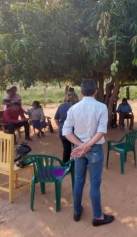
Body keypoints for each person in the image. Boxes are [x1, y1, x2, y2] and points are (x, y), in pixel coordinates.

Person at [62, 79, 114, 227]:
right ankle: (98, 217)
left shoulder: (73, 108)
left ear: (81, 92)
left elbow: (66, 132)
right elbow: (101, 131)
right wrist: (87, 146)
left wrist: (80, 145)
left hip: (79, 150)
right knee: (95, 184)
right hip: (94, 149)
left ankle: (77, 211)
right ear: (96, 91)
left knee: (78, 180)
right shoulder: (101, 107)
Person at [55, 94, 74, 163]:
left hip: (63, 131)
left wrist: (60, 126)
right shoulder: (77, 107)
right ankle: (78, 164)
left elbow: (56, 119)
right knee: (77, 148)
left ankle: (65, 164)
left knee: (66, 149)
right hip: (75, 131)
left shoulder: (61, 107)